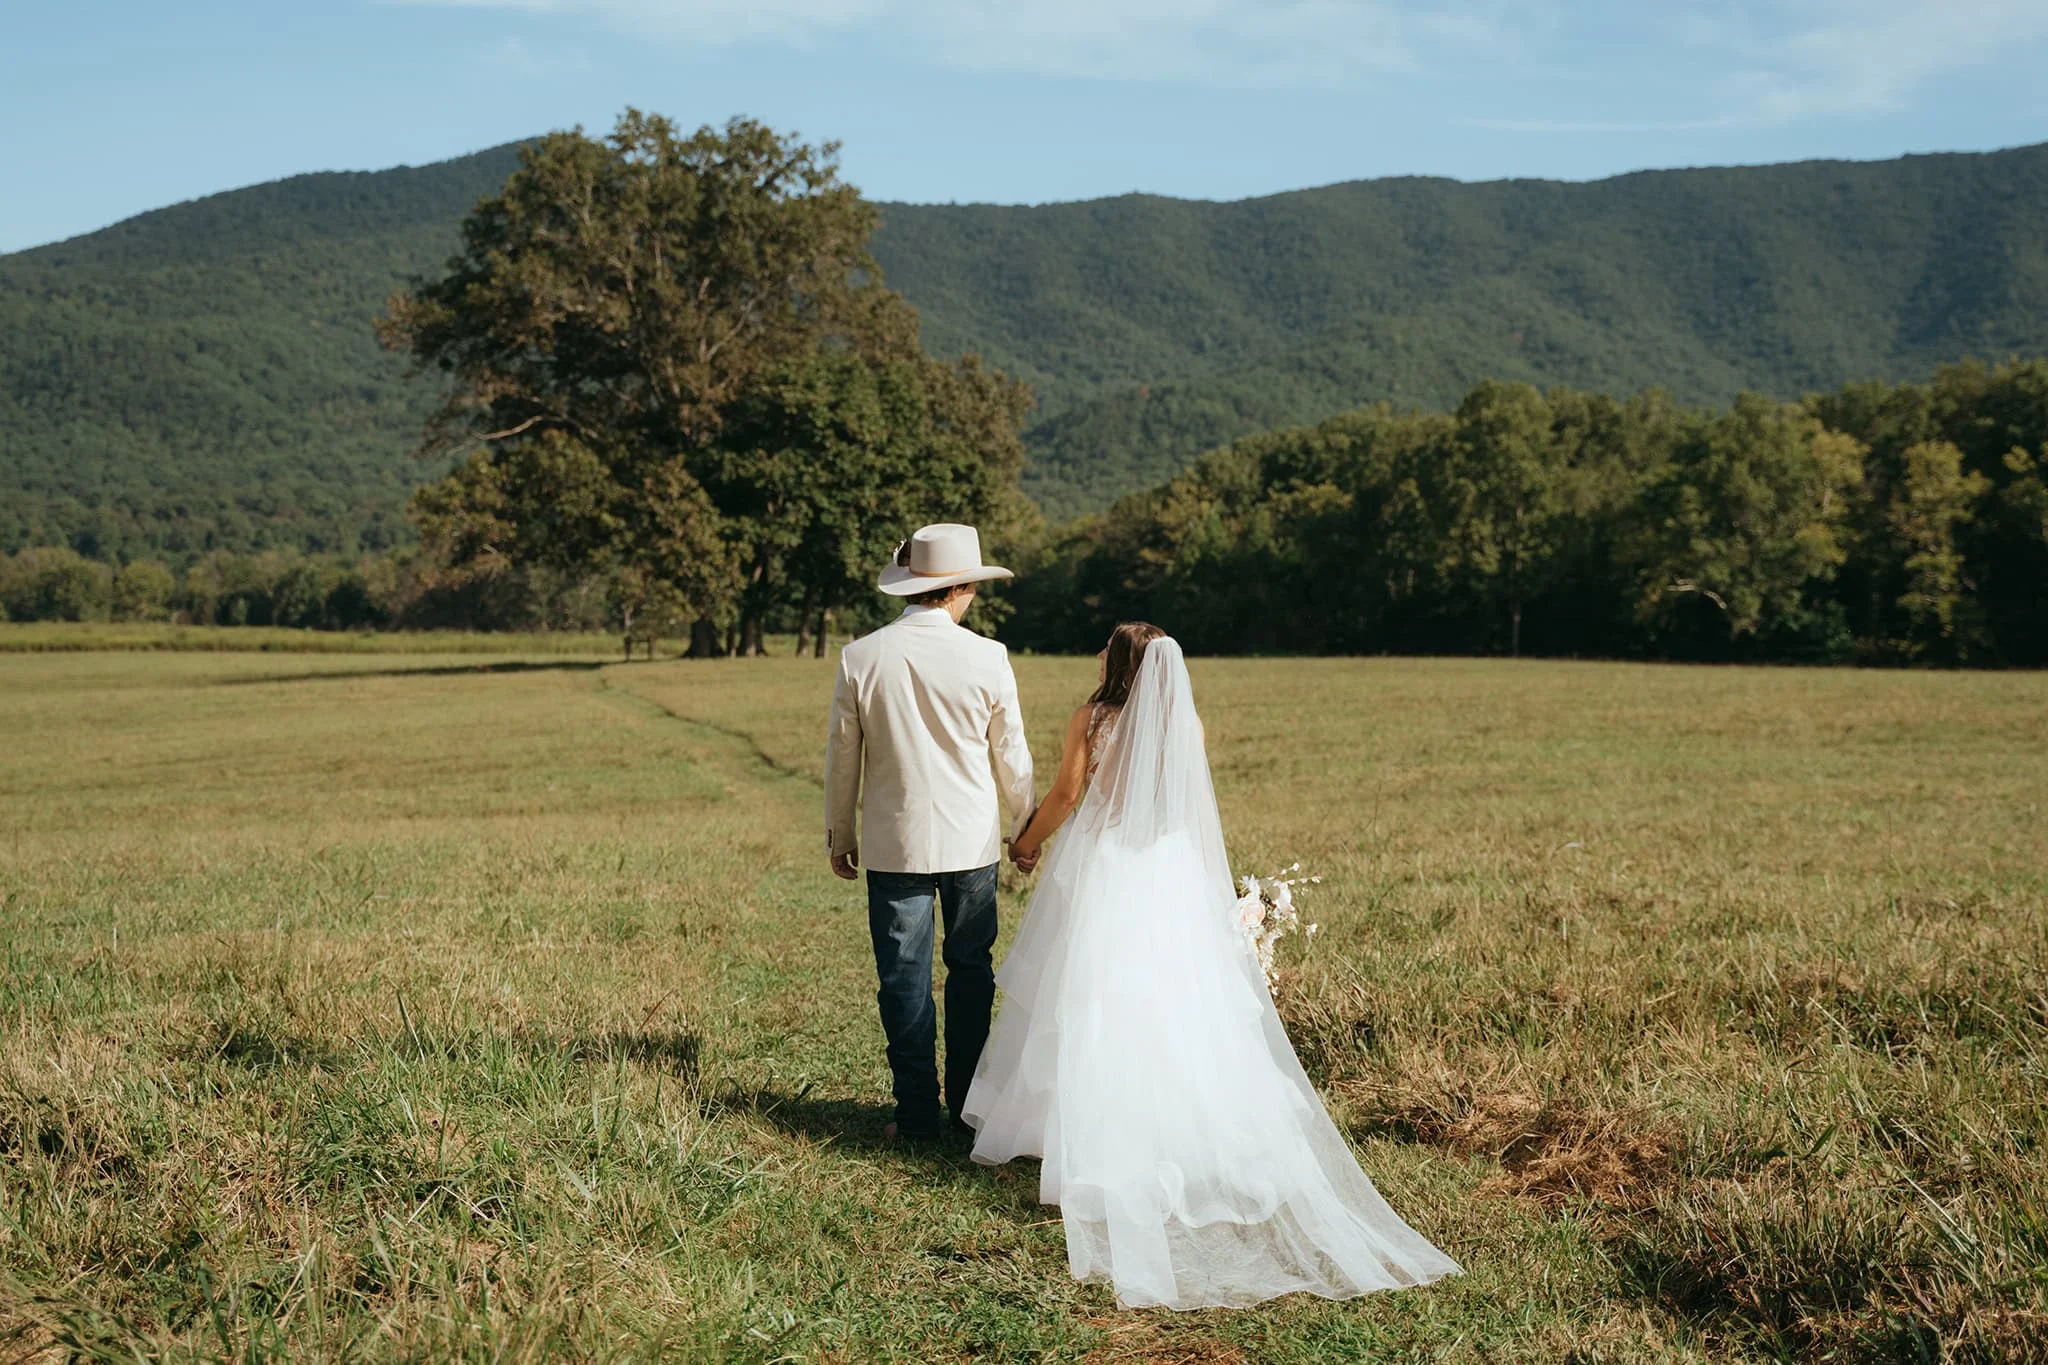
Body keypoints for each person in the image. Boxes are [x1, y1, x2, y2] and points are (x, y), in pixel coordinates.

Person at [962, 623, 1461, 1309]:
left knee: (1092, 1000)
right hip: (1168, 872)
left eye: (1107, 649)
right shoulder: (1182, 724)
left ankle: (1087, 1131)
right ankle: (1171, 1131)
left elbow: (1067, 795)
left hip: (1107, 869)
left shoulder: (1093, 716)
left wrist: (1025, 844)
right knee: (1172, 1003)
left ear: (1119, 661)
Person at [824, 523, 1036, 1144]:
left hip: (895, 842)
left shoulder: (860, 656)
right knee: (971, 971)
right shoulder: (989, 657)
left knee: (903, 976)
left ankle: (916, 1112)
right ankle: (970, 1114)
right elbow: (1011, 756)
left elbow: (843, 758)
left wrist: (839, 832)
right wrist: (1024, 829)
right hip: (971, 843)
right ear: (961, 586)